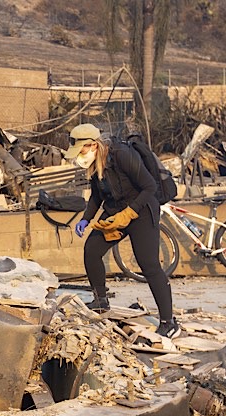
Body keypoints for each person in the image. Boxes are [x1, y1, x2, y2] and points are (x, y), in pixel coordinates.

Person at [68, 123, 181, 338]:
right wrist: (86, 219)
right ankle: (101, 302)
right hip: (115, 211)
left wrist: (129, 214)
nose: (79, 156)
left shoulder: (122, 155)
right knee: (92, 250)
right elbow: (96, 197)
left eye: (81, 150)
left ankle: (169, 322)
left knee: (149, 265)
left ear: (93, 145)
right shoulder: (95, 165)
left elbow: (150, 187)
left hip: (142, 210)